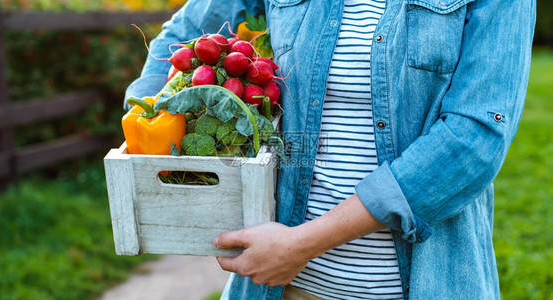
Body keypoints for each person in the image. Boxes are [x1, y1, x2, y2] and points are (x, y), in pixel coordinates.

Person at [125, 0, 536, 299]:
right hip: (281, 287)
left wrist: (303, 245)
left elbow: (473, 141)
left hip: (426, 285)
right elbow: (186, 33)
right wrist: (146, 127)